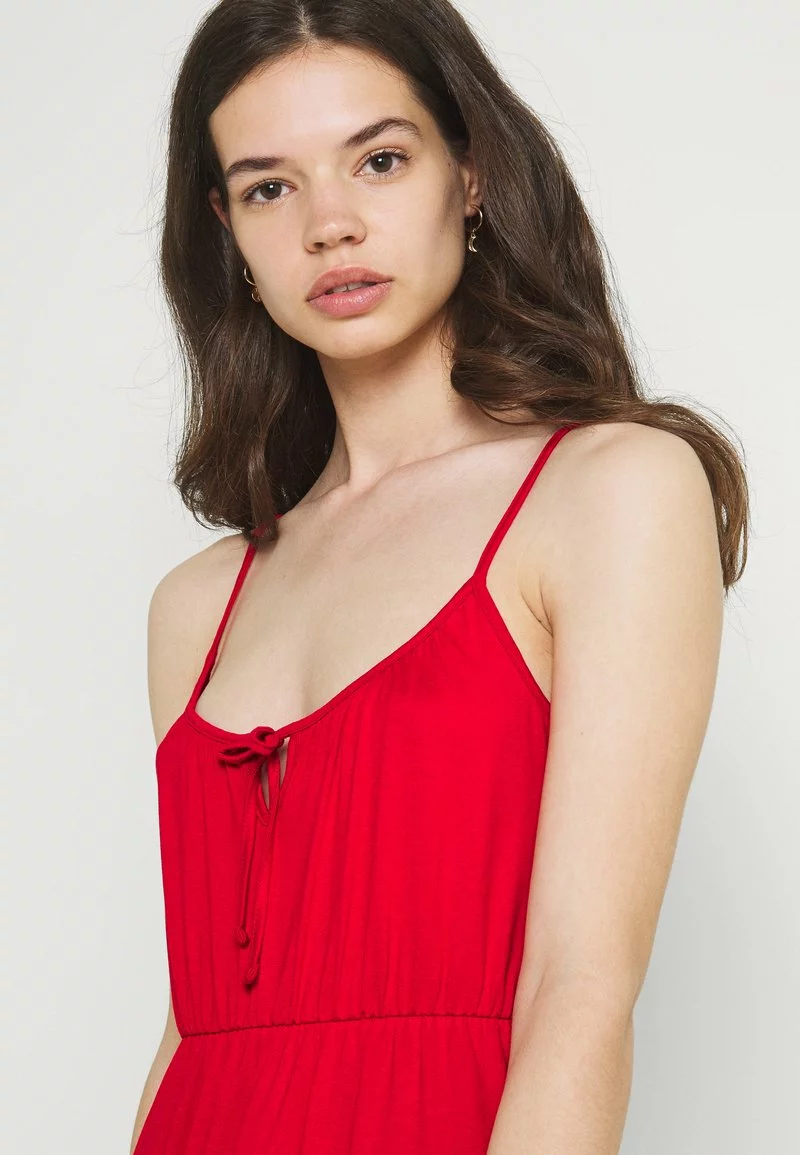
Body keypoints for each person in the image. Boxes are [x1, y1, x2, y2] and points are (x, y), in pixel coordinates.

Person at [129, 1, 749, 1152]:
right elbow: (193, 1026)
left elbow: (579, 991)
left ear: (468, 174)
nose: (328, 224)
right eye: (269, 188)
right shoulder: (196, 605)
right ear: (227, 231)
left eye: (377, 159)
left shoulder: (607, 492)